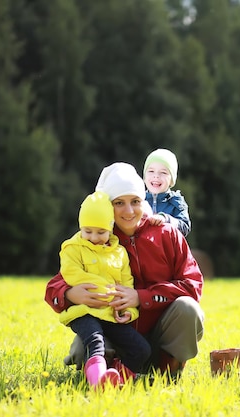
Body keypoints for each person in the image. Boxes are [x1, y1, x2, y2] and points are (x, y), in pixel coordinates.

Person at [45, 162, 203, 381]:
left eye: (135, 201)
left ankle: (167, 372)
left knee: (188, 308)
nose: (129, 211)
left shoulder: (167, 234)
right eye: (119, 203)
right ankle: (109, 375)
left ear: (143, 201)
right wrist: (69, 294)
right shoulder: (97, 238)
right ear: (107, 207)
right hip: (114, 332)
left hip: (161, 336)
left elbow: (192, 285)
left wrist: (141, 297)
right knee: (84, 349)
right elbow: (55, 286)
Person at [57, 191, 151, 389]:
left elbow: (127, 285)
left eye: (100, 232)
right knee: (95, 341)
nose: (93, 237)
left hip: (110, 313)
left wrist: (128, 310)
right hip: (83, 312)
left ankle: (118, 380)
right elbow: (71, 274)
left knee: (141, 349)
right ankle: (97, 382)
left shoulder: (119, 253)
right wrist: (107, 291)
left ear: (110, 229)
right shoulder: (72, 248)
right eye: (87, 231)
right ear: (80, 227)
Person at [143, 148, 191, 237]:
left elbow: (184, 227)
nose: (156, 176)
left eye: (163, 173)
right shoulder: (138, 200)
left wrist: (166, 219)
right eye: (151, 171)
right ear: (144, 177)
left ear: (171, 180)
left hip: (166, 249)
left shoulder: (176, 202)